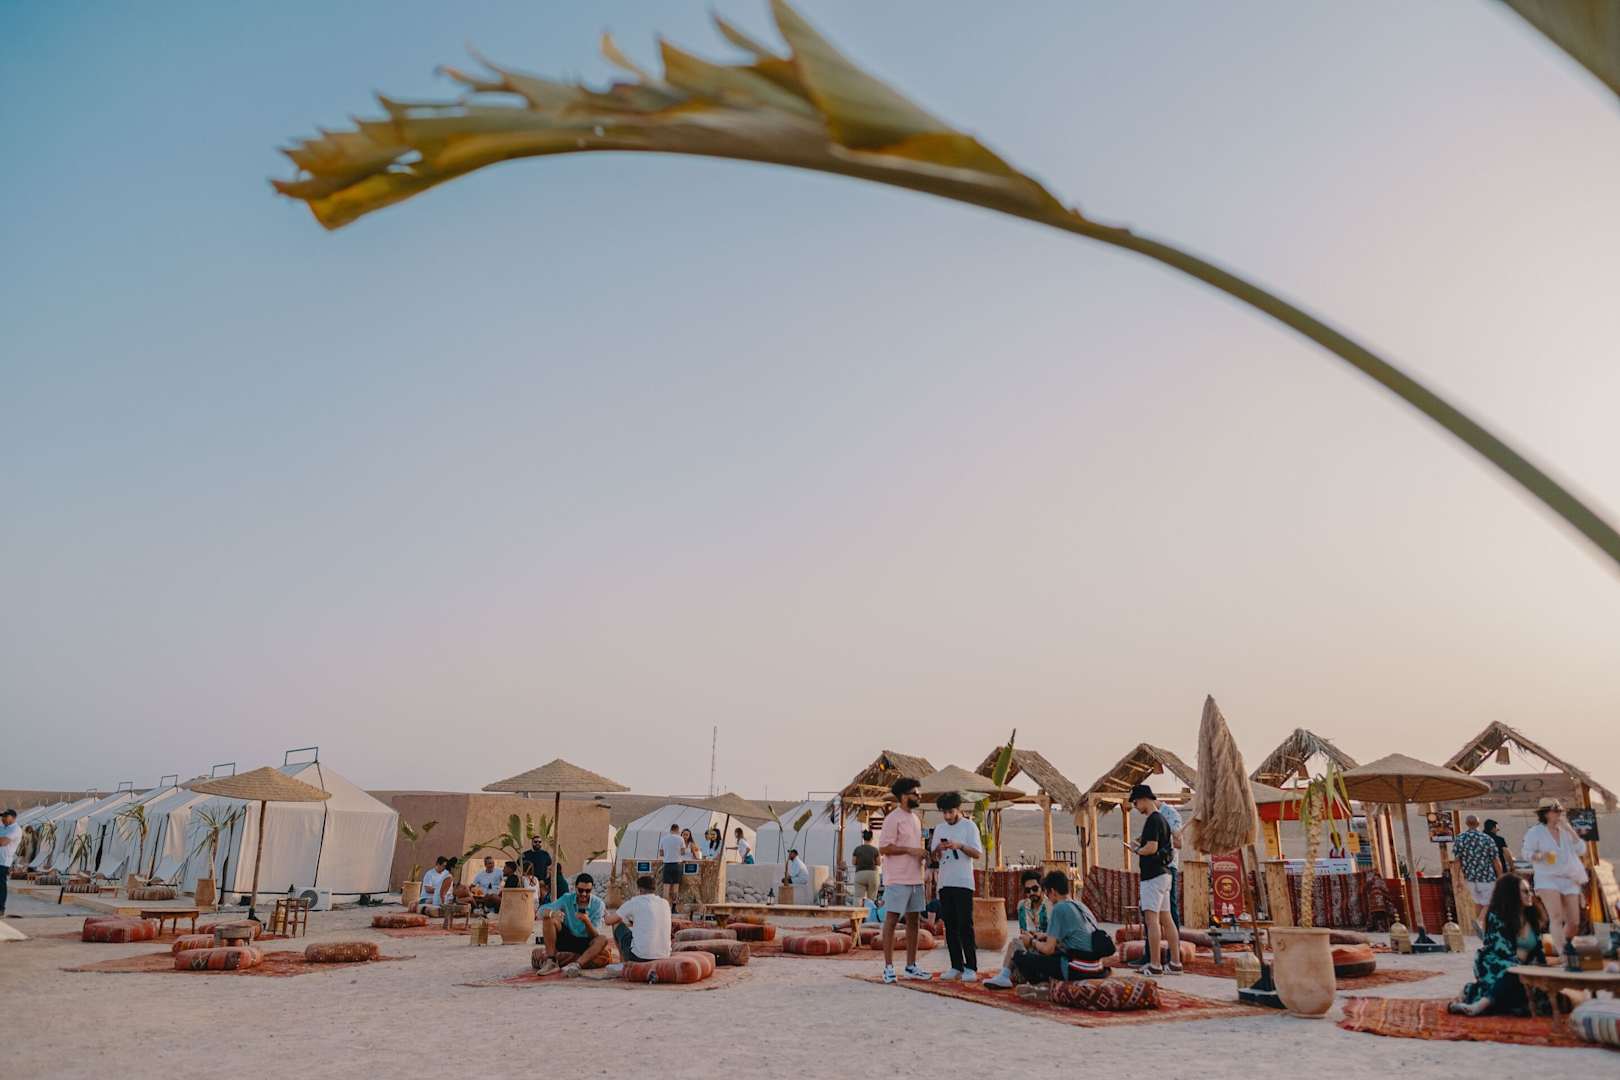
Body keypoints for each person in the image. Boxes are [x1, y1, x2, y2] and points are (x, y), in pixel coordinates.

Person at [987, 870, 1109, 988]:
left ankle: (1037, 984)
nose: (1048, 897)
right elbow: (1073, 935)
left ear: (1053, 891)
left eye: (1047, 892)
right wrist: (1044, 936)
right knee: (1030, 954)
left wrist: (1032, 942)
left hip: (1076, 968)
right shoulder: (1080, 905)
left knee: (1019, 955)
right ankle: (1008, 976)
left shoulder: (1058, 908)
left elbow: (1048, 949)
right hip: (1096, 967)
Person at [1449, 873, 1548, 1016]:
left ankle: (1472, 992)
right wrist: (1522, 966)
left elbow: (1538, 950)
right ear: (1512, 894)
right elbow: (1500, 949)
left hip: (1524, 967)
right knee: (1514, 973)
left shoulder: (1532, 917)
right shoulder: (1498, 916)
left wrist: (1544, 968)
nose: (1530, 895)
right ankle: (1479, 1006)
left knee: (1549, 1000)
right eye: (1525, 892)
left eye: (1530, 891)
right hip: (1497, 963)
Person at [877, 777, 930, 983]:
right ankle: (888, 967)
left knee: (914, 920)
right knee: (891, 920)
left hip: (916, 877)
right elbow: (884, 848)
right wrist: (910, 850)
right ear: (903, 796)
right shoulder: (893, 818)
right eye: (915, 793)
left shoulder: (915, 819)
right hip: (898, 877)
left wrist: (922, 854)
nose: (919, 796)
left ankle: (911, 966)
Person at [1127, 784, 1182, 975]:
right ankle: (1175, 962)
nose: (1135, 807)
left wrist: (1136, 850)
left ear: (1144, 799)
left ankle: (1155, 964)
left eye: (1135, 803)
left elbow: (1151, 847)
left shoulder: (1153, 820)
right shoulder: (1163, 820)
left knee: (1152, 920)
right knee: (1167, 919)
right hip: (1165, 874)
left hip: (1153, 876)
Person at [929, 791, 984, 982]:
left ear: (958, 809)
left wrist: (960, 846)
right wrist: (939, 849)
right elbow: (933, 856)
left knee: (965, 925)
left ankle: (971, 966)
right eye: (944, 813)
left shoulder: (969, 826)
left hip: (963, 882)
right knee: (950, 925)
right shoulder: (939, 828)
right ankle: (955, 965)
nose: (947, 816)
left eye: (950, 812)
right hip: (945, 882)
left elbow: (977, 853)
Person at [1520, 797, 1587, 953]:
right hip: (1547, 878)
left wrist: (1570, 830)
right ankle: (1562, 952)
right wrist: (1539, 856)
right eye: (1555, 811)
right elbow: (1526, 852)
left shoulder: (1565, 831)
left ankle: (1563, 945)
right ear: (1545, 813)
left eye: (1560, 811)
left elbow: (1582, 849)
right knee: (1556, 916)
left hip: (1569, 878)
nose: (1559, 814)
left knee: (1574, 922)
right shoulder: (1535, 832)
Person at [536, 872, 610, 976]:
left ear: (591, 890)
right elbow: (540, 911)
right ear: (575, 888)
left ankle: (576, 965)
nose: (584, 894)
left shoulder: (598, 904)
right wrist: (552, 913)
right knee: (549, 919)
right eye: (581, 890)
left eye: (587, 891)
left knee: (603, 939)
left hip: (586, 941)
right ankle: (551, 961)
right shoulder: (567, 898)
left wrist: (586, 921)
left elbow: (595, 935)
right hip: (568, 937)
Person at [982, 869, 1047, 986]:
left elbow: (1051, 938)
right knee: (1016, 948)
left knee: (1014, 944)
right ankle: (1006, 976)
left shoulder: (1049, 906)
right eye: (1028, 890)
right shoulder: (1022, 906)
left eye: (1035, 889)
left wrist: (1033, 938)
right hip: (1030, 949)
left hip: (1045, 952)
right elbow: (1023, 933)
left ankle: (1004, 976)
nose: (1032, 892)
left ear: (1041, 887)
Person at [605, 874, 672, 964]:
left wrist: (605, 913)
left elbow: (609, 921)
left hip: (639, 956)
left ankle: (623, 962)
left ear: (640, 889)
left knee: (616, 923)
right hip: (664, 955)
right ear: (654, 889)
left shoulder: (635, 901)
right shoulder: (665, 903)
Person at [1453, 815, 1501, 932]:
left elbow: (1457, 861)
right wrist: (1500, 876)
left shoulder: (1460, 838)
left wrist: (1457, 879)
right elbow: (1495, 860)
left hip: (1470, 878)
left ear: (1466, 823)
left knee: (1478, 903)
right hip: (1486, 877)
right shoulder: (1487, 838)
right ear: (1478, 824)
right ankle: (1480, 921)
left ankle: (1483, 930)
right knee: (1492, 901)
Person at [1157, 797, 1185, 928]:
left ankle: (1174, 936)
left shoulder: (1170, 814)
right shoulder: (1154, 815)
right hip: (1156, 865)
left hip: (1168, 865)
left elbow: (1178, 843)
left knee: (1169, 903)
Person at [658, 823, 687, 905]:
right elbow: (683, 852)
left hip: (667, 864)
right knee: (675, 887)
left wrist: (668, 853)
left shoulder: (663, 839)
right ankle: (674, 907)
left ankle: (665, 906)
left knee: (666, 887)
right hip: (677, 865)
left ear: (670, 830)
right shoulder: (680, 839)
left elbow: (661, 853)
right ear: (678, 830)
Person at [851, 829, 881, 903]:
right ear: (871, 838)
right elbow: (879, 863)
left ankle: (858, 909)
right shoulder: (875, 850)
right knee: (872, 899)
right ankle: (871, 909)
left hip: (860, 874)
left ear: (863, 838)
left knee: (858, 898)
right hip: (873, 874)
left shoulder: (857, 849)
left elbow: (853, 862)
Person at [521, 836, 553, 904]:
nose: (537, 843)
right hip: (529, 883)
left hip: (542, 883)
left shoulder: (545, 854)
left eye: (539, 842)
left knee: (544, 901)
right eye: (535, 842)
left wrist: (545, 881)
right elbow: (519, 866)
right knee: (528, 902)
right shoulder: (525, 854)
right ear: (532, 843)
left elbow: (549, 869)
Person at [0, 808, 19, 917]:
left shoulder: (15, 829)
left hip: (3, 861)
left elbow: (3, 842)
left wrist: (1, 839)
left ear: (13, 817)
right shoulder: (3, 827)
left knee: (1, 885)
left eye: (5, 816)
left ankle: (1, 908)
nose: (2, 818)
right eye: (2, 816)